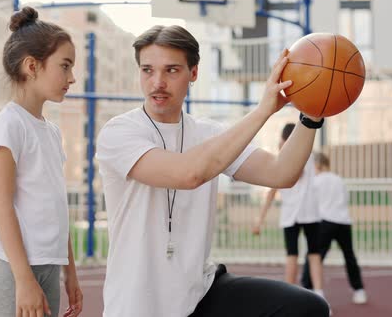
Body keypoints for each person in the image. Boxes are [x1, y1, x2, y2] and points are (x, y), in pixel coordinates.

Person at [96, 25, 330, 317]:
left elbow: (281, 173)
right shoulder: (119, 132)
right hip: (139, 304)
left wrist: (312, 115)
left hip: (199, 292)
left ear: (193, 73)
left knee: (306, 308)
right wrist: (262, 111)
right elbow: (189, 174)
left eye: (171, 70)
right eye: (147, 70)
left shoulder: (209, 133)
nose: (157, 82)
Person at [0, 7, 83, 317]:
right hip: (13, 271)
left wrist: (71, 272)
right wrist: (23, 280)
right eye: (64, 66)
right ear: (32, 66)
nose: (72, 77)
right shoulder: (8, 125)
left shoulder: (51, 132)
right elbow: (2, 206)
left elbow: (55, 205)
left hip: (48, 267)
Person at [252, 123, 324, 297]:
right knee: (302, 255)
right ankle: (305, 295)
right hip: (300, 213)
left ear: (285, 140)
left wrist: (282, 153)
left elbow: (288, 179)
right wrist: (260, 219)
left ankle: (307, 294)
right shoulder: (302, 156)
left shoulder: (296, 157)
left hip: (302, 214)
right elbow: (272, 191)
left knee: (304, 255)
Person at [311, 152, 368, 305]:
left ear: (317, 165)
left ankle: (308, 288)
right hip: (343, 222)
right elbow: (345, 199)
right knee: (349, 257)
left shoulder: (315, 181)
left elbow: (312, 203)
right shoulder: (339, 179)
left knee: (315, 257)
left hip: (324, 222)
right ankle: (359, 290)